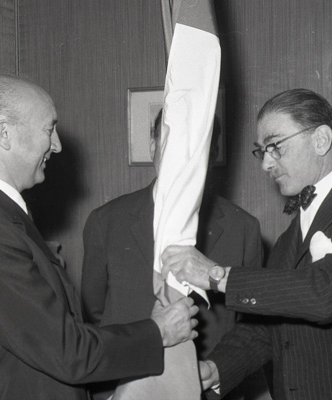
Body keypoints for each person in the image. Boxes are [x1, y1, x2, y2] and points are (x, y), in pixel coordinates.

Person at [0, 75, 199, 400]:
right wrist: (159, 332)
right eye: (48, 129)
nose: (56, 145)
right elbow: (67, 352)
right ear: (4, 134)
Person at [161, 88, 332, 400]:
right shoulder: (286, 241)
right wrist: (215, 369)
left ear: (321, 140)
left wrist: (215, 275)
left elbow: (326, 294)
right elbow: (266, 328)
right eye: (262, 151)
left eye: (275, 146)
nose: (266, 164)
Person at [81, 109, 267, 399]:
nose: (183, 156)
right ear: (153, 147)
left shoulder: (243, 228)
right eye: (172, 142)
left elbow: (252, 327)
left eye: (196, 145)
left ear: (212, 154)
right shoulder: (105, 222)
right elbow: (93, 315)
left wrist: (218, 370)